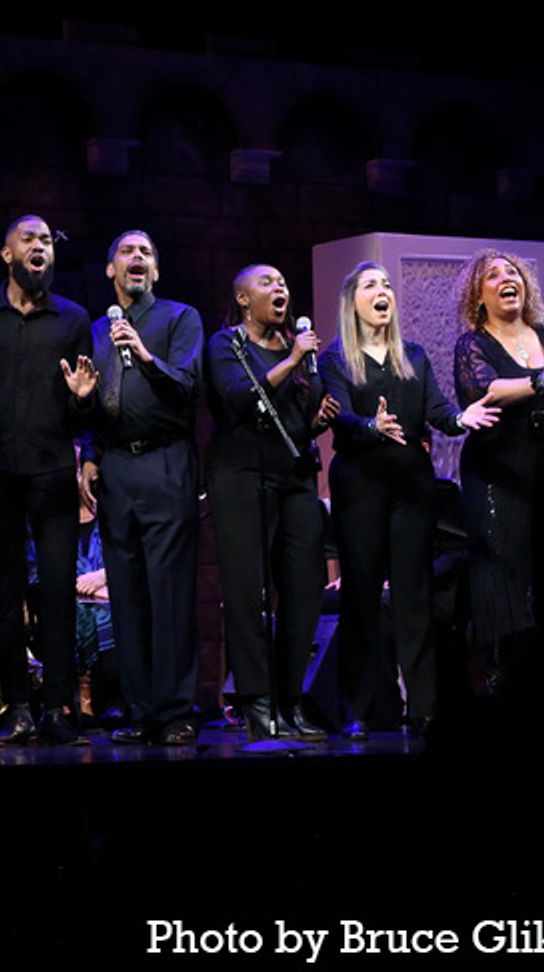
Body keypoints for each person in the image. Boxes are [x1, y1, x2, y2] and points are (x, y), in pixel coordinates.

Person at [319, 262, 498, 736]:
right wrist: (371, 427)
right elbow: (342, 422)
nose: (384, 292)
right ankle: (358, 708)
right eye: (371, 286)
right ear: (352, 301)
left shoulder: (413, 355)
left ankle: (424, 708)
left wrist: (463, 419)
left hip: (411, 489)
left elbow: (436, 410)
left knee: (413, 597)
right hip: (359, 487)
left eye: (386, 285)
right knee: (359, 596)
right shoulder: (336, 358)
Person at [0, 215, 96, 745]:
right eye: (29, 240)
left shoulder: (73, 318)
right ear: (6, 253)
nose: (40, 247)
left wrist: (82, 400)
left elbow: (81, 404)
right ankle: (16, 705)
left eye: (46, 241)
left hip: (52, 470)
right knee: (7, 590)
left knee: (58, 592)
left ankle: (58, 708)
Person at [205, 264, 339, 741]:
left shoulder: (298, 352)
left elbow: (295, 424)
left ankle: (291, 701)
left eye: (283, 283)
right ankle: (256, 704)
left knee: (303, 593)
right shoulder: (227, 346)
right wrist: (291, 362)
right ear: (242, 299)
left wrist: (318, 421)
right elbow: (240, 400)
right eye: (267, 283)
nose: (280, 288)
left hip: (296, 477)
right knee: (248, 595)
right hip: (240, 477)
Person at [78, 230, 202, 745]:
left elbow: (188, 386)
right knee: (126, 592)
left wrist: (146, 356)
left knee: (168, 590)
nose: (136, 259)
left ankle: (174, 711)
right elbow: (91, 398)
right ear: (110, 270)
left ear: (156, 270)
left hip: (165, 460)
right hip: (116, 468)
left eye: (146, 253)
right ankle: (139, 710)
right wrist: (87, 451)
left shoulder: (178, 318)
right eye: (127, 252)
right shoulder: (95, 329)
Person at [452, 249, 544, 687]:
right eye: (493, 276)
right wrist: (539, 379)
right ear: (479, 296)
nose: (505, 279)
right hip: (500, 471)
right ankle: (501, 683)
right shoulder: (473, 344)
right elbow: (483, 389)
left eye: (511, 272)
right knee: (502, 576)